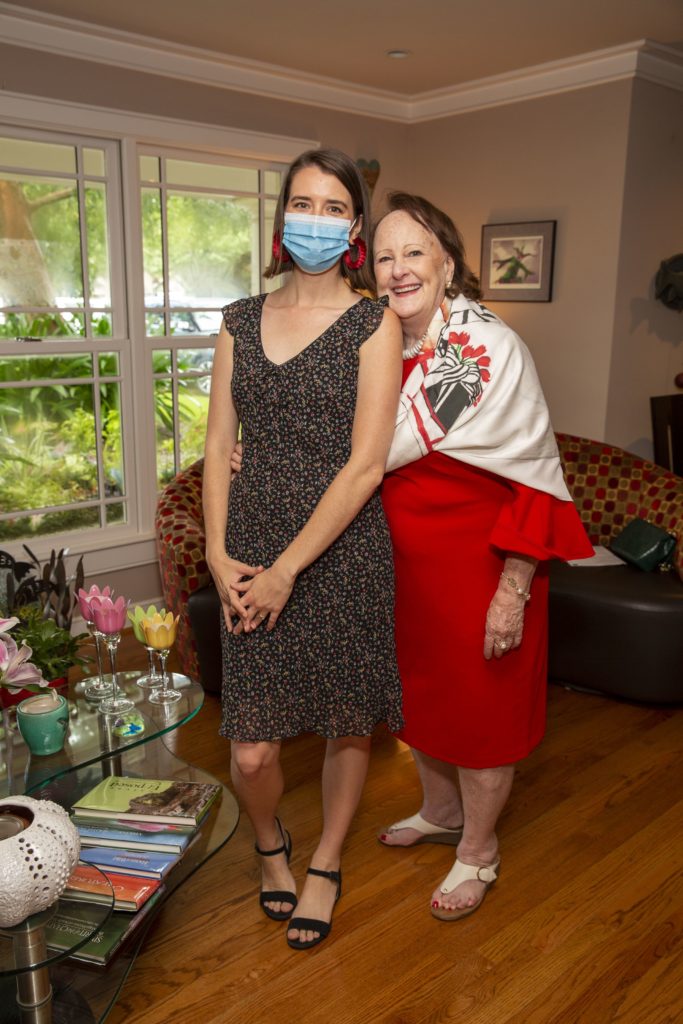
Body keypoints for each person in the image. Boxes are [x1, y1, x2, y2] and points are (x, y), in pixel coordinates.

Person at [203, 149, 403, 950]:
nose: (312, 220)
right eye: (300, 204)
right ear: (279, 216)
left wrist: (293, 568)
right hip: (249, 548)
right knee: (251, 749)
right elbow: (219, 442)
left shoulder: (372, 323)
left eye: (330, 208)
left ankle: (324, 861)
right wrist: (220, 554)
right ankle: (268, 845)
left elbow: (365, 463)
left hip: (342, 551)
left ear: (353, 226)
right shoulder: (236, 319)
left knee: (345, 724)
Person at [373, 192, 593, 921]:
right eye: (383, 256)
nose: (398, 268)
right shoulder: (382, 347)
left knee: (481, 715)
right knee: (425, 705)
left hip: (480, 570)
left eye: (413, 251)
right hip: (406, 577)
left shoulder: (484, 346)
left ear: (446, 258)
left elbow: (534, 478)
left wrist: (513, 587)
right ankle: (439, 812)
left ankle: (480, 850)